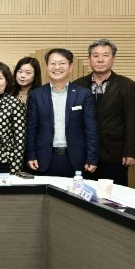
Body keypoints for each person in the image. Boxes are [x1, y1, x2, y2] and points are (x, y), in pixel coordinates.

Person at [74, 39, 135, 185]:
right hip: (84, 153)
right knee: (81, 194)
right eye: (95, 55)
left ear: (113, 58)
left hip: (114, 154)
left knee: (113, 195)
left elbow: (132, 121)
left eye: (105, 55)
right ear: (89, 58)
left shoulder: (127, 85)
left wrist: (131, 151)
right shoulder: (77, 85)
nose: (100, 60)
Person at [26, 48, 98, 177]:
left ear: (70, 67)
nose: (57, 67)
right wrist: (31, 155)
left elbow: (91, 128)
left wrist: (92, 157)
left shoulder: (83, 94)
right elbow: (31, 128)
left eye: (62, 63)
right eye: (53, 63)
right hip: (44, 158)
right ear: (47, 66)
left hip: (76, 159)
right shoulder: (36, 95)